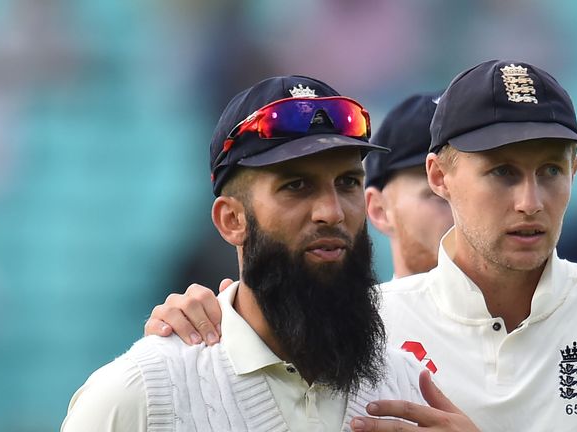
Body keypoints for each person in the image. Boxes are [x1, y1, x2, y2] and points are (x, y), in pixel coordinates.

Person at [146, 60, 577, 431]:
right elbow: (243, 368)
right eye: (503, 172)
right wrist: (204, 329)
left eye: (552, 171)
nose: (531, 201)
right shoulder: (363, 327)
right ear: (439, 176)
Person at [61, 75, 440, 431]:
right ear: (231, 220)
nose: (332, 211)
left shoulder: (413, 389)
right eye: (296, 186)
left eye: (347, 183)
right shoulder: (141, 396)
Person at [364, 91, 454, 278]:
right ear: (379, 210)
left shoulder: (530, 306)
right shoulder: (371, 308)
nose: (466, 211)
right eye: (438, 192)